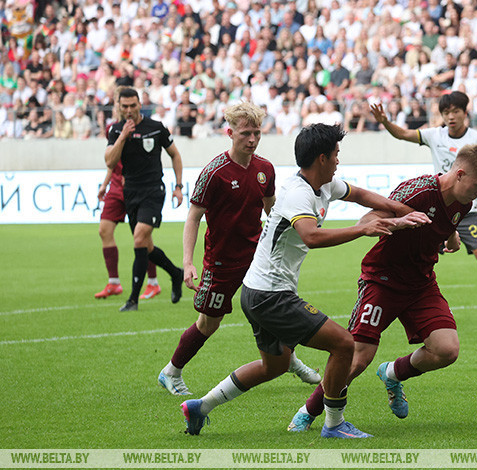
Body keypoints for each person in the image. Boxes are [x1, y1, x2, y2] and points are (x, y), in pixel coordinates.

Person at [180, 124, 430, 439]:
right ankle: (334, 423)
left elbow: (360, 194)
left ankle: (200, 407)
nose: (338, 160)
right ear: (322, 158)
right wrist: (364, 229)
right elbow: (311, 236)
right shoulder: (298, 193)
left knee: (274, 366)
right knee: (344, 344)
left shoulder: (324, 184)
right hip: (271, 295)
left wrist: (400, 212)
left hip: (257, 291)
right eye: (335, 154)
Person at [288, 144, 477, 432]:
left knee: (447, 350)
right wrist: (397, 222)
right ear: (460, 174)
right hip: (383, 280)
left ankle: (392, 373)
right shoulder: (418, 191)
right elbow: (369, 219)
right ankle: (308, 412)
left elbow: (448, 220)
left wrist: (451, 238)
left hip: (421, 284)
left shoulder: (464, 201)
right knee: (357, 357)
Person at [157, 102, 320, 397]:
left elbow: (272, 211)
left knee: (274, 308)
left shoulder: (265, 169)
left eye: (257, 133)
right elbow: (193, 217)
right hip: (221, 261)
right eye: (246, 133)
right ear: (230, 133)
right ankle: (171, 371)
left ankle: (290, 361)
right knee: (209, 323)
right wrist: (188, 262)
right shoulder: (214, 173)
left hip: (257, 257)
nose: (252, 139)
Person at [370, 91, 477, 328]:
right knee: (416, 259)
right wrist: (385, 121)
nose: (451, 117)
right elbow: (403, 134)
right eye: (446, 112)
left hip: (468, 211)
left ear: (465, 113)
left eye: (455, 111)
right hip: (438, 209)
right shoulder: (434, 135)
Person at [105, 87, 185, 312]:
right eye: (125, 106)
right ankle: (175, 273)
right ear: (119, 107)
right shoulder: (116, 130)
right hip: (130, 193)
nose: (129, 110)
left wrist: (178, 186)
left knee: (139, 238)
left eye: (133, 105)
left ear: (140, 104)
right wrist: (123, 136)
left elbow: (175, 155)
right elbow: (110, 162)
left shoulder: (156, 127)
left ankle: (133, 300)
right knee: (146, 246)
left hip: (153, 191)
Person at [94, 162, 161, 300]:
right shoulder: (113, 145)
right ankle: (114, 282)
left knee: (142, 236)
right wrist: (105, 184)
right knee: (104, 230)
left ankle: (153, 282)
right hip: (116, 187)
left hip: (136, 186)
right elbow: (111, 161)